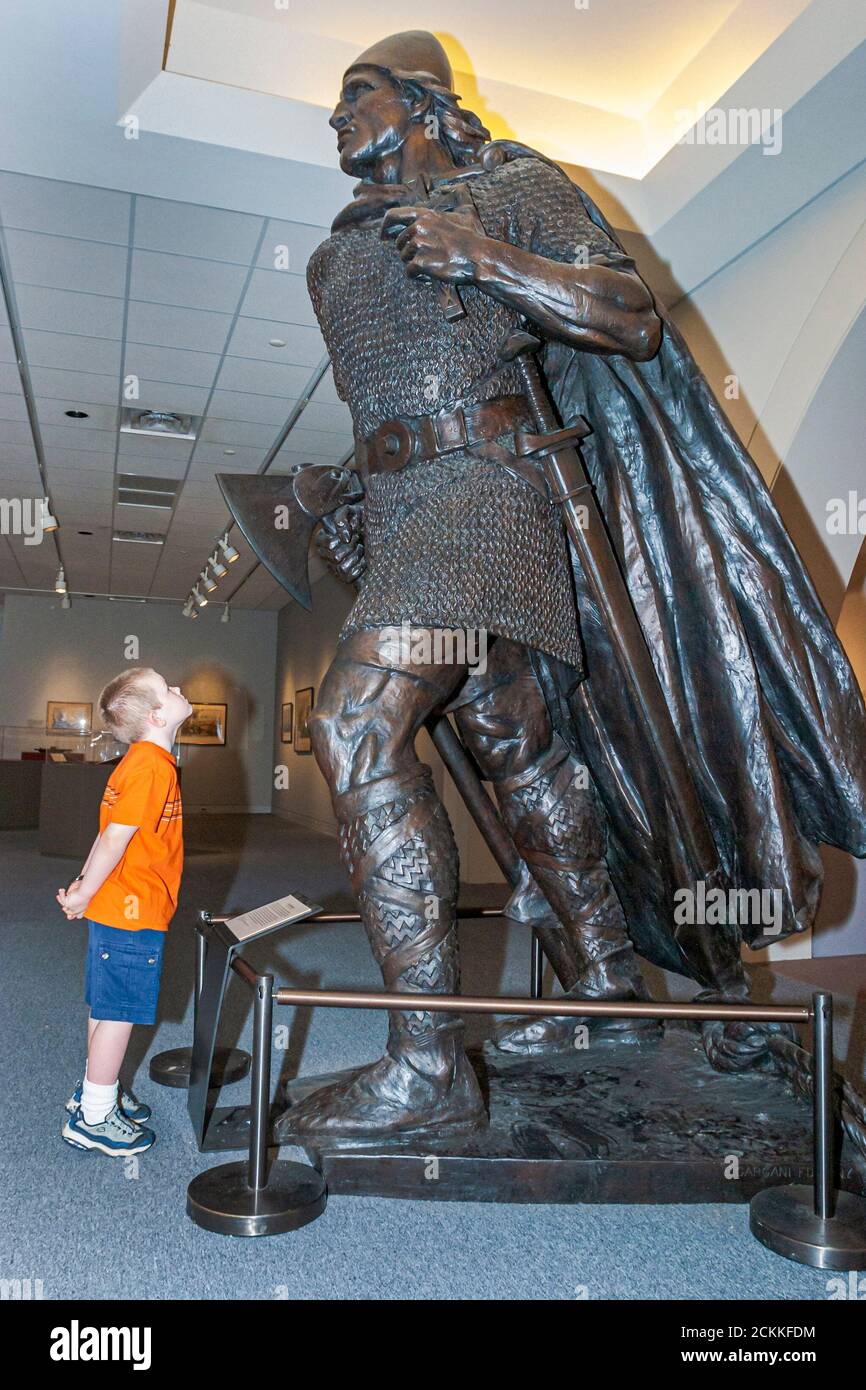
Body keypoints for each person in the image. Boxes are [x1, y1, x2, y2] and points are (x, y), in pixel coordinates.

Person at [271, 29, 866, 1144]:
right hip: (415, 511)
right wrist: (345, 479)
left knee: (355, 725)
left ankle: (424, 1063)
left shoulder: (511, 189)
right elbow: (412, 398)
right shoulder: (332, 261)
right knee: (518, 754)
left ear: (423, 103)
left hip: (488, 506)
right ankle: (603, 989)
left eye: (354, 94)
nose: (336, 116)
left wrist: (482, 254)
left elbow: (627, 315)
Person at [58, 668, 190, 1156]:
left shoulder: (136, 761)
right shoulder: (153, 767)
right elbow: (113, 838)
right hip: (133, 914)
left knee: (105, 1005)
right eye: (169, 689)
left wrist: (83, 890)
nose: (179, 690)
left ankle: (98, 1087)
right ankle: (94, 1116)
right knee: (119, 1012)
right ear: (157, 715)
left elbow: (109, 833)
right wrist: (85, 890)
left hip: (116, 906)